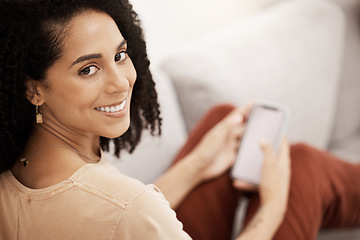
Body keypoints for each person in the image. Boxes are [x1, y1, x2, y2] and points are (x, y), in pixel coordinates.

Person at [0, 0, 289, 239]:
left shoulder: (12, 179)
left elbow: (110, 216)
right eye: (88, 69)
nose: (121, 83)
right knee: (302, 165)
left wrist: (198, 163)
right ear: (33, 89)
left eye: (120, 55)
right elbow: (124, 211)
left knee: (222, 117)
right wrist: (273, 207)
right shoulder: (131, 207)